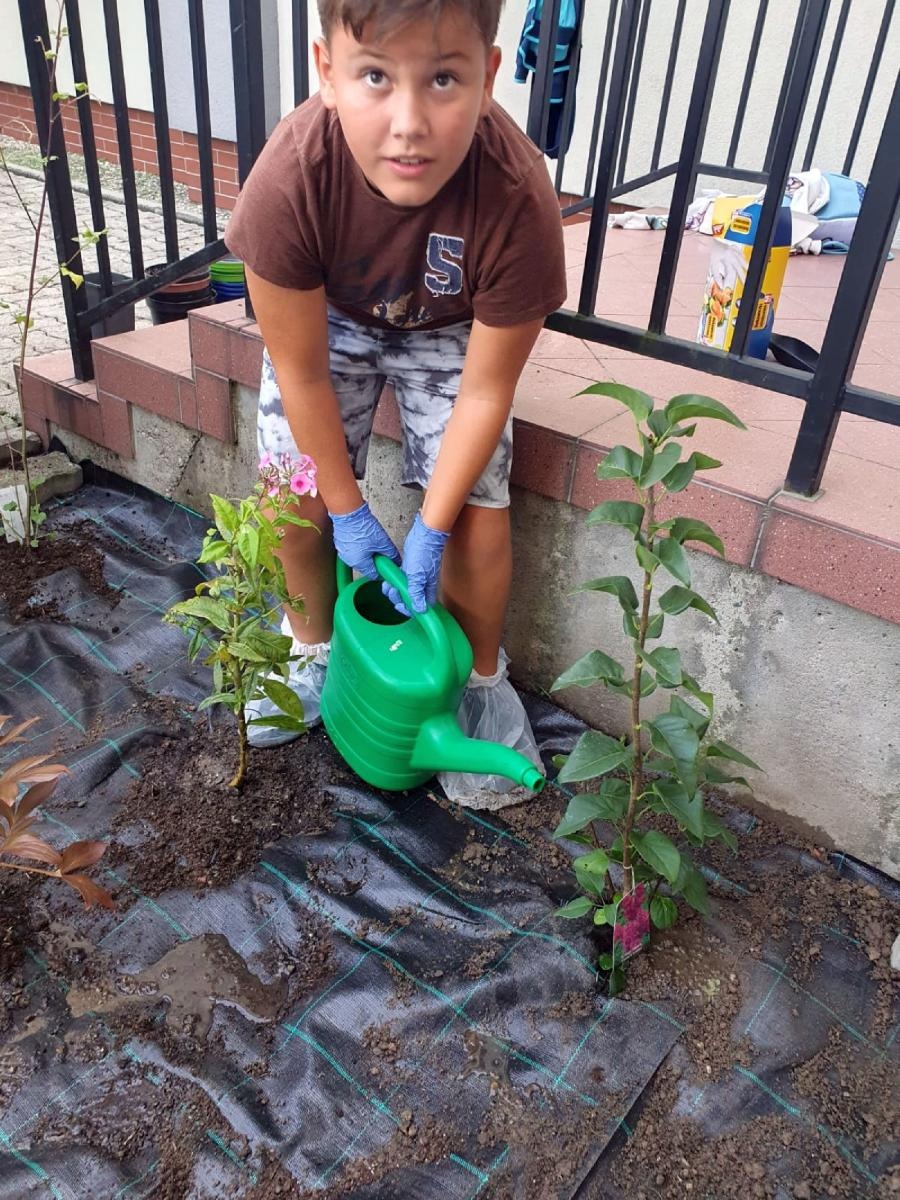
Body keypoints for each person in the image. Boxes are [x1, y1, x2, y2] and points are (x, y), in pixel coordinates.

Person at [224, 0, 566, 810]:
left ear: (488, 76)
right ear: (327, 71)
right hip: (329, 322)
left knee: (481, 506)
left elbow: (487, 387)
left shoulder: (516, 195)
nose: (408, 122)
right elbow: (300, 374)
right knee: (291, 488)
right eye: (376, 75)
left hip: (449, 334)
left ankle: (480, 685)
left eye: (443, 77)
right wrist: (345, 509)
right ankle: (310, 650)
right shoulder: (290, 178)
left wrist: (432, 525)